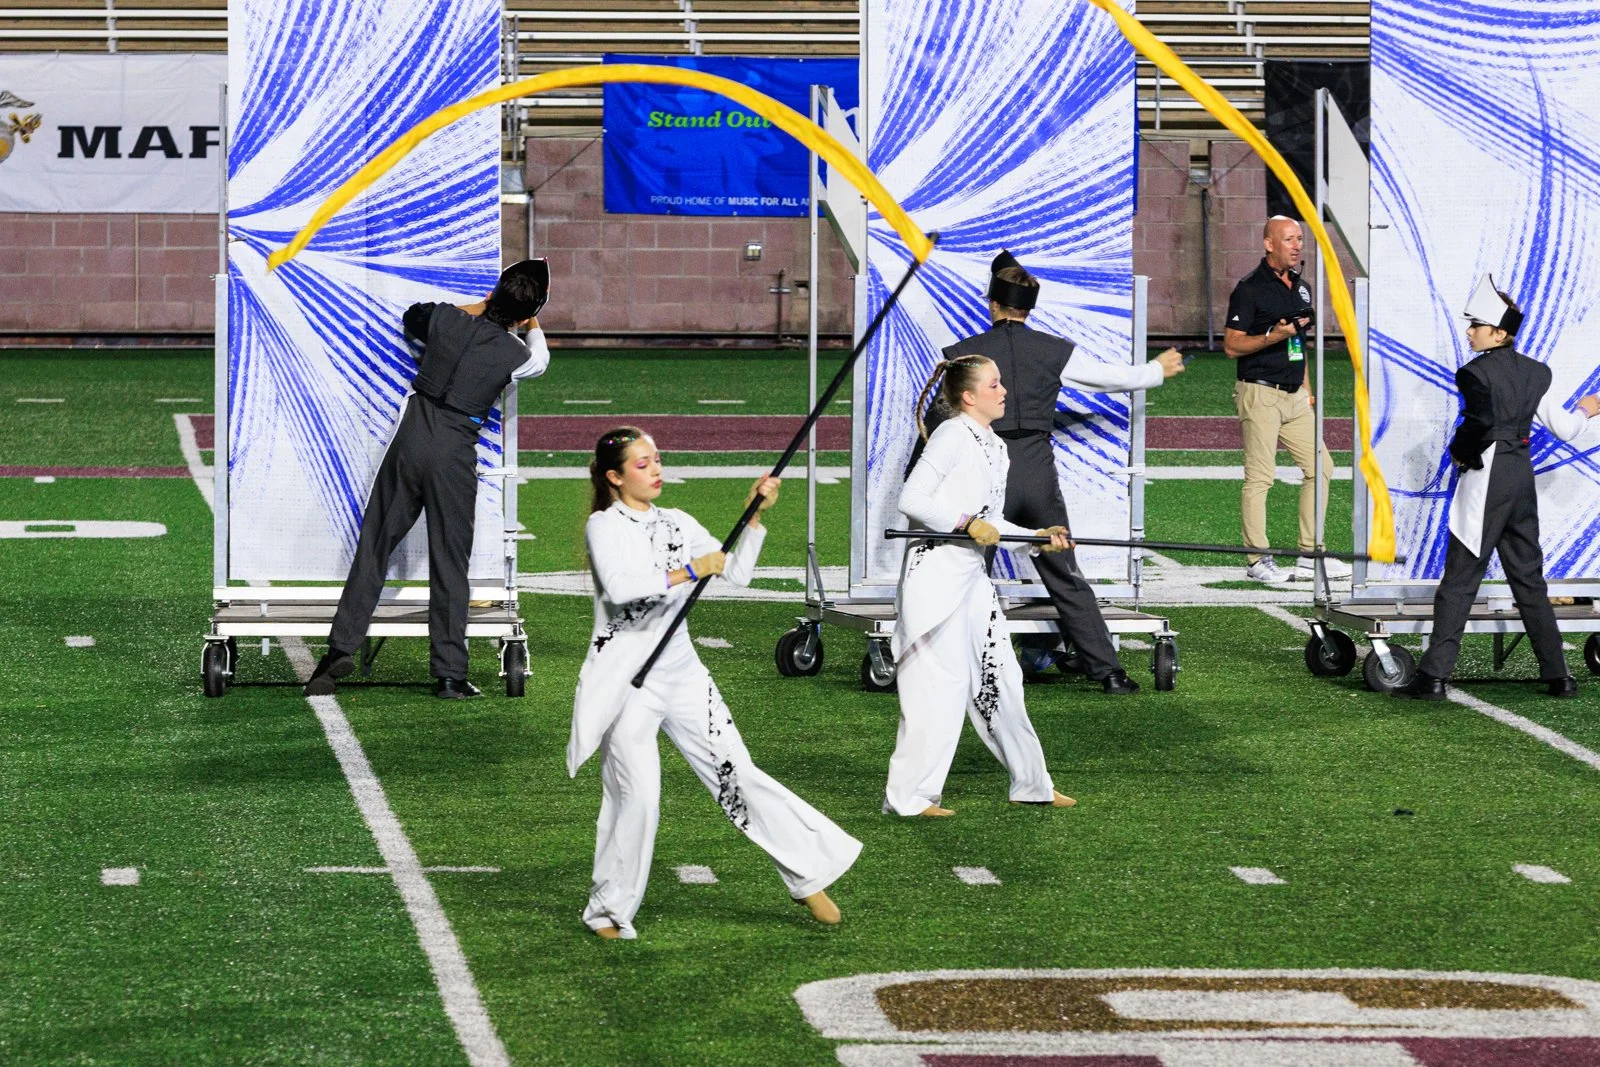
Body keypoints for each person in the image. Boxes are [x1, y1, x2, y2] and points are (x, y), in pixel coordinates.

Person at [569, 428, 861, 938]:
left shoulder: (678, 521)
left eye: (657, 459)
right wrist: (688, 570)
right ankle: (608, 910)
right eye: (642, 463)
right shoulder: (604, 525)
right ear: (614, 477)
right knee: (638, 797)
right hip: (628, 681)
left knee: (737, 773)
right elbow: (620, 588)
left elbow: (737, 572)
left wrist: (753, 516)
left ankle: (805, 873)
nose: (656, 469)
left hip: (682, 674)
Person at [938, 251, 1184, 694]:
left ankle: (948, 668)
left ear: (992, 304)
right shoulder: (1053, 350)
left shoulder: (963, 356)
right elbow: (1107, 378)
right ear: (1028, 309)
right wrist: (1155, 370)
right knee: (1065, 575)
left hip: (983, 470)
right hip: (1036, 473)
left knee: (966, 573)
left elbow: (940, 422)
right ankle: (1109, 673)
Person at [304, 260, 551, 699]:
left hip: (412, 436)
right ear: (527, 313)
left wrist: (482, 306)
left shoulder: (447, 319)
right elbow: (540, 356)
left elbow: (413, 315)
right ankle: (450, 674)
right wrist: (527, 321)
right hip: (454, 451)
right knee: (450, 562)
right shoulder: (518, 354)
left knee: (375, 545)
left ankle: (335, 654)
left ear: (493, 293)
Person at [886, 355, 1078, 817]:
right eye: (994, 385)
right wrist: (965, 523)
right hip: (933, 580)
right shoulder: (952, 435)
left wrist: (1034, 538)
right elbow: (911, 499)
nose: (1003, 391)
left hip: (971, 579)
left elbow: (991, 521)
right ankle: (909, 798)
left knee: (1003, 678)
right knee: (937, 687)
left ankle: (1032, 784)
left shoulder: (995, 446)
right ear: (969, 396)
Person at [1399, 275, 1599, 700]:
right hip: (1520, 476)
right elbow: (1566, 428)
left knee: (1460, 579)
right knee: (1529, 580)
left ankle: (1433, 677)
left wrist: (1459, 452)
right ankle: (1559, 676)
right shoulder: (1535, 372)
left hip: (1487, 478)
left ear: (1499, 332)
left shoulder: (1474, 373)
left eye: (1476, 325)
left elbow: (1480, 423)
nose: (1469, 331)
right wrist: (1587, 410)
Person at [1223, 216, 1351, 586]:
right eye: (1289, 239)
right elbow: (1232, 345)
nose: (1297, 246)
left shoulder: (1302, 288)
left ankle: (1311, 553)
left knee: (1321, 466)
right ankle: (1257, 559)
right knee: (1260, 477)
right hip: (1260, 392)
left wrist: (1307, 389)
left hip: (1295, 395)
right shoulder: (1249, 289)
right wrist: (1274, 336)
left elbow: (1298, 343)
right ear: (1269, 244)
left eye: (1299, 239)